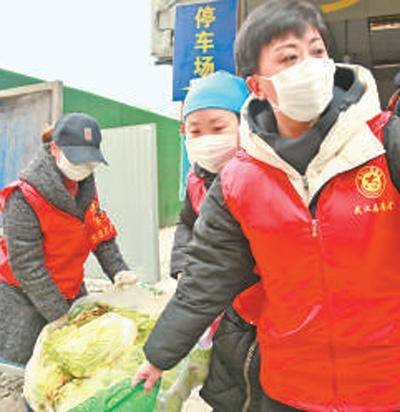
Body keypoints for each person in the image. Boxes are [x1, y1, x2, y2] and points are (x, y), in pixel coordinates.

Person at [134, 0, 400, 410]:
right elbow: (207, 274)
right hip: (290, 390)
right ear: (257, 86)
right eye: (289, 57)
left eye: (317, 51)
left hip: (386, 386)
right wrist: (158, 355)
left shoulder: (384, 144)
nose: (309, 66)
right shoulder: (239, 182)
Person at [0, 113, 136, 365]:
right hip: (24, 298)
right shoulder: (23, 197)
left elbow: (97, 231)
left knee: (76, 365)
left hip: (70, 289)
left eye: (90, 163)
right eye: (79, 161)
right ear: (55, 149)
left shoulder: (84, 187)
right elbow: (28, 266)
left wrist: (118, 270)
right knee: (31, 369)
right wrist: (61, 316)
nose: (84, 169)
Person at [169, 71, 263, 410]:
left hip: (261, 317)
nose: (206, 139)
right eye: (195, 131)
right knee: (223, 388)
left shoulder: (265, 175)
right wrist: (182, 268)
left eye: (218, 128)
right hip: (220, 311)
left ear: (245, 123)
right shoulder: (196, 179)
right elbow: (186, 224)